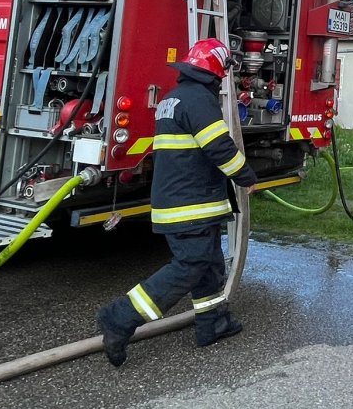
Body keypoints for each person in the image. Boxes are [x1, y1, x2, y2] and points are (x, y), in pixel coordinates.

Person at [96, 38, 257, 367]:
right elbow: (218, 147)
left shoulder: (174, 98)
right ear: (216, 71)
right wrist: (246, 177)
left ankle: (213, 322)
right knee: (191, 265)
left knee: (210, 263)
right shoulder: (198, 100)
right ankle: (120, 317)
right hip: (190, 204)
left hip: (188, 200)